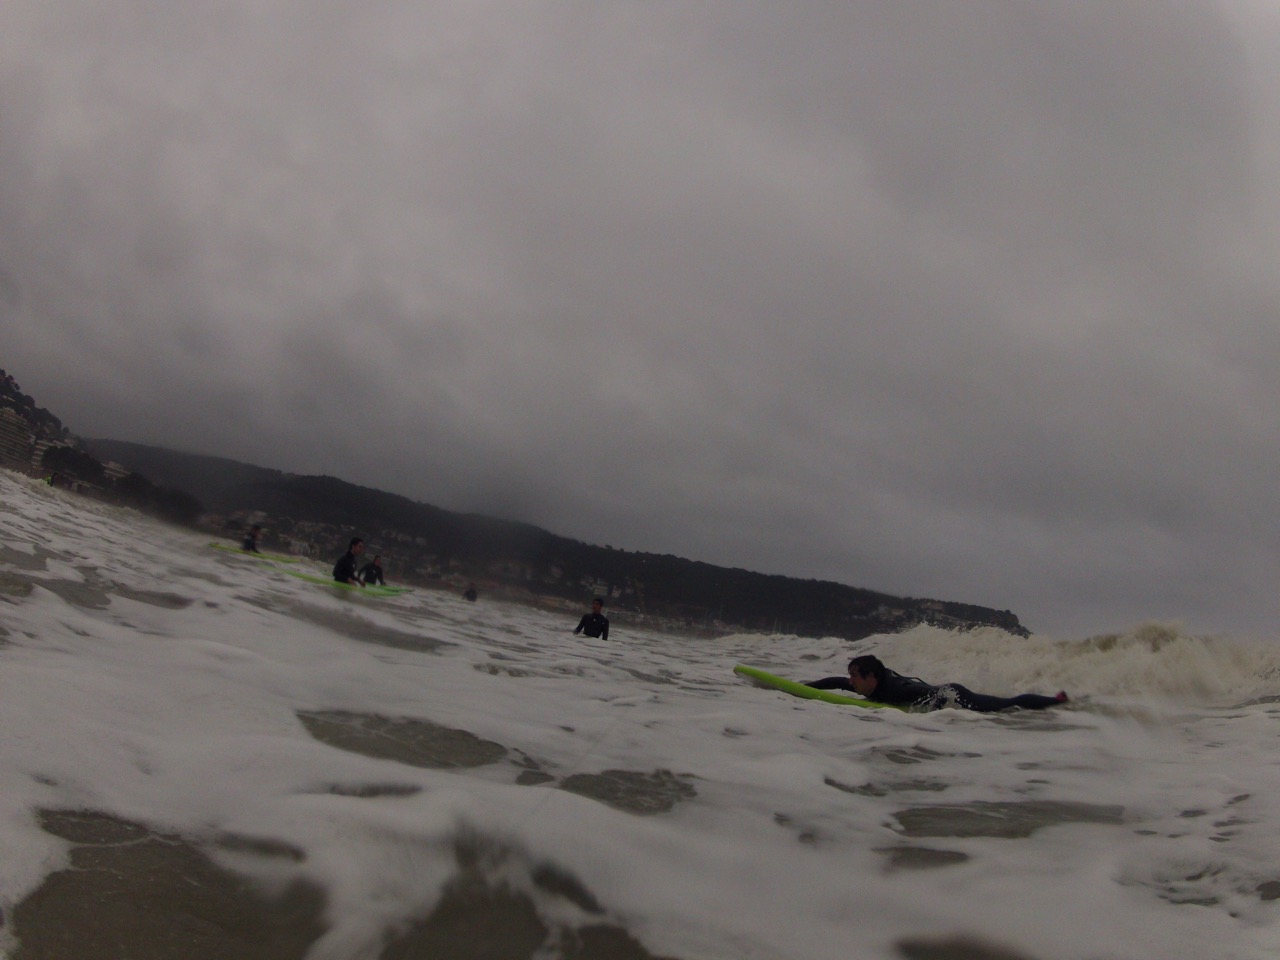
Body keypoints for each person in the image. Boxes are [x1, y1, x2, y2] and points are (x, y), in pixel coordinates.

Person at [807, 654, 1067, 713]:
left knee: (1006, 706)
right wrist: (808, 687)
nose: (850, 681)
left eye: (855, 676)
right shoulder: (868, 684)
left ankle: (1056, 702)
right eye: (851, 675)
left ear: (871, 677)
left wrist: (937, 713)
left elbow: (932, 693)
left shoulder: (894, 690)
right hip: (946, 691)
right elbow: (837, 682)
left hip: (954, 694)